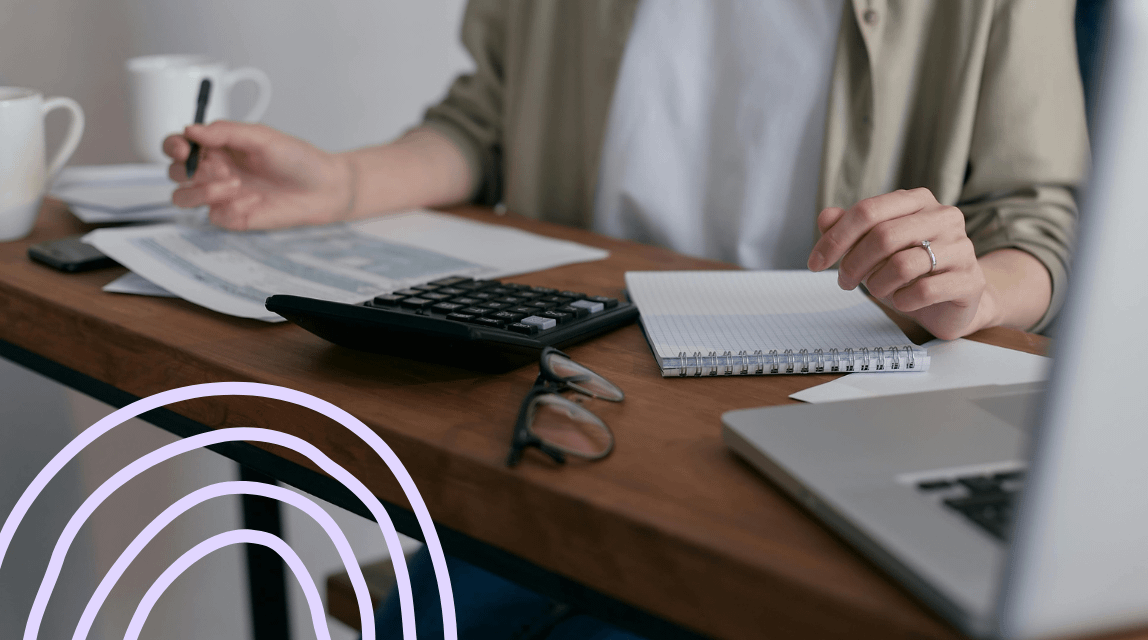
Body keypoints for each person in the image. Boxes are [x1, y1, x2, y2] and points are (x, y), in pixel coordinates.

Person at [164, 1, 1087, 637]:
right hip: (575, 394)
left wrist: (973, 290)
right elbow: (485, 125)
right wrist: (346, 183)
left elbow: (1037, 221)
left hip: (830, 408)